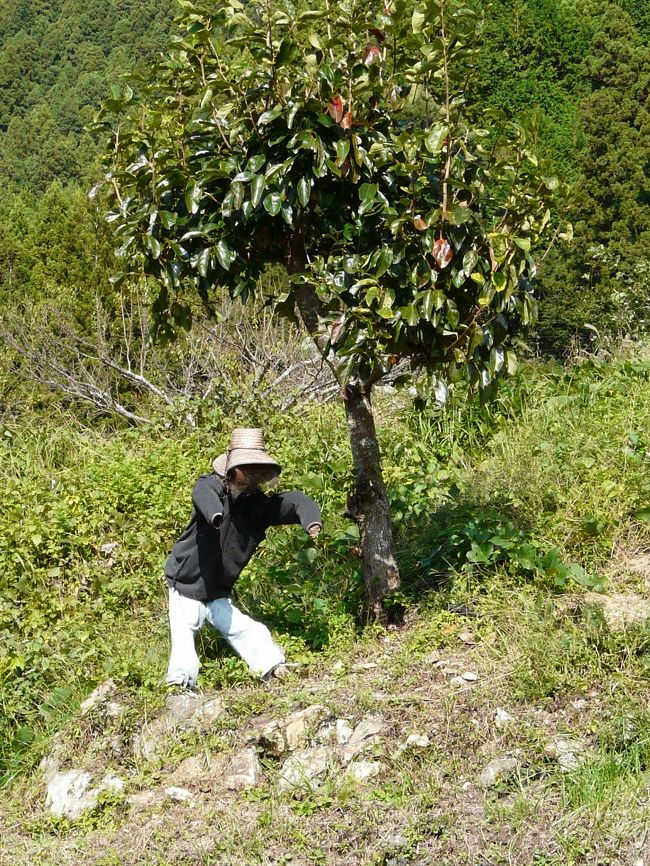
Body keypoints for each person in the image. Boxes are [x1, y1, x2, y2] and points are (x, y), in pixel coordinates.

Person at [164, 428, 322, 688]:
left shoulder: (255, 507)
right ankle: (179, 684)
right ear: (232, 468)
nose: (249, 476)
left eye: (253, 470)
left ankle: (271, 666)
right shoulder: (210, 486)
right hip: (186, 582)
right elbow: (203, 496)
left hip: (218, 588)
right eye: (245, 468)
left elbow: (291, 502)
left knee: (241, 627)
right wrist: (215, 513)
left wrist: (310, 518)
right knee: (184, 636)